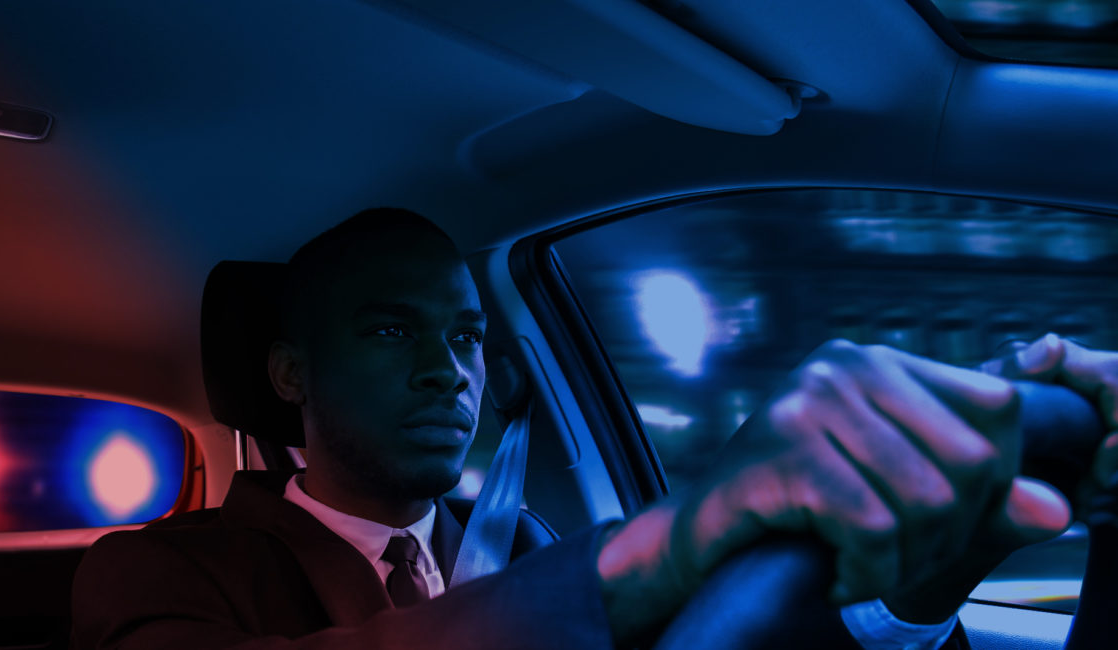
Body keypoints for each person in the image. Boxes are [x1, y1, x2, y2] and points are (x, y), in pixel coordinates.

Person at [70, 208, 1118, 649]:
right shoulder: (156, 571)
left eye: (470, 336)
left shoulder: (522, 547)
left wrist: (926, 577)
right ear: (292, 372)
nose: (449, 368)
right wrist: (669, 535)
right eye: (393, 330)